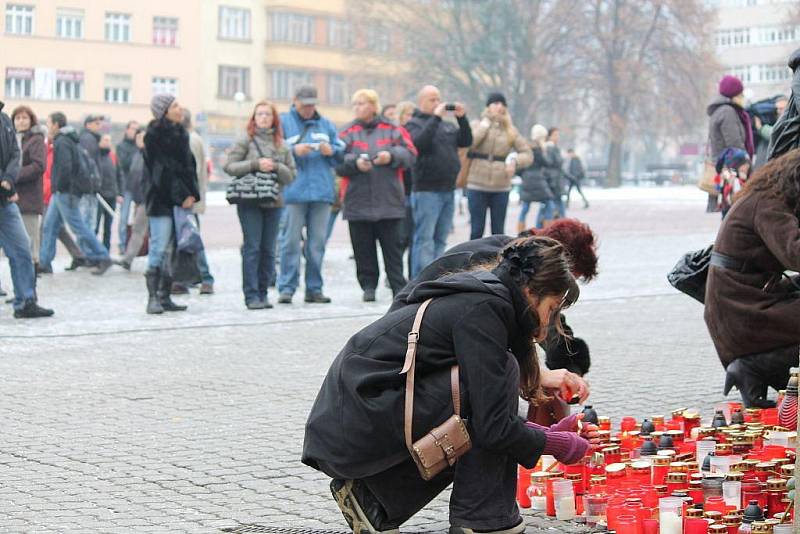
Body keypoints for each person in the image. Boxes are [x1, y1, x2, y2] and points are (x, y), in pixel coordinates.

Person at [303, 236, 591, 533]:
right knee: (494, 384)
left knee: (485, 395)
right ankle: (482, 519)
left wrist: (548, 433)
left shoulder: (489, 299)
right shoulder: (484, 308)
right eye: (553, 308)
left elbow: (492, 417)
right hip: (357, 414)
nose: (551, 320)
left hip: (365, 410)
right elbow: (492, 425)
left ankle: (375, 498)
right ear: (531, 292)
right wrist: (556, 444)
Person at [391, 218, 599, 381]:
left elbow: (546, 320)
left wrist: (567, 365)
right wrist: (545, 374)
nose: (562, 293)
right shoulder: (500, 268)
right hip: (406, 350)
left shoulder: (516, 259)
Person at [704, 148, 800, 408]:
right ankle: (752, 367)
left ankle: (755, 369)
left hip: (741, 305)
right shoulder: (768, 203)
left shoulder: (764, 198)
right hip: (742, 312)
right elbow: (795, 253)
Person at [336, 89, 417, 302]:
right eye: (355, 104)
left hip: (388, 201)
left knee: (393, 249)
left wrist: (390, 156)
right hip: (357, 201)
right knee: (363, 249)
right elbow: (336, 161)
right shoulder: (347, 132)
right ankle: (368, 286)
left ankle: (398, 287)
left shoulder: (393, 130)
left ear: (373, 105)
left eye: (362, 103)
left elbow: (410, 154)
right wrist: (354, 163)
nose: (357, 108)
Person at [224, 100, 296, 310]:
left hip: (274, 202)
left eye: (267, 114)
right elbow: (229, 166)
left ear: (274, 118)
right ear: (253, 118)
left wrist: (275, 166)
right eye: (259, 114)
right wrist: (255, 164)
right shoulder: (245, 141)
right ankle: (251, 295)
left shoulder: (281, 145)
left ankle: (263, 293)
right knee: (252, 247)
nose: (263, 118)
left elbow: (291, 176)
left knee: (268, 250)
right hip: (249, 202)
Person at [278, 85, 343, 304]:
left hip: (321, 193)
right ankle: (286, 288)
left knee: (317, 244)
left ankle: (314, 289)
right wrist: (293, 150)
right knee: (290, 242)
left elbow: (341, 152)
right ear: (294, 101)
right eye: (305, 104)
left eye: (312, 104)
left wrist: (331, 150)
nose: (308, 108)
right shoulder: (283, 122)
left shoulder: (326, 124)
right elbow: (274, 148)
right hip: (293, 192)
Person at [405, 85, 473, 278]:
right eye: (432, 99)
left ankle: (436, 277)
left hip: (448, 189)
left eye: (438, 99)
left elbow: (466, 141)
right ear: (421, 102)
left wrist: (462, 118)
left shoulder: (446, 125)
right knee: (424, 239)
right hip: (426, 190)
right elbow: (420, 144)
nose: (437, 103)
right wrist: (435, 117)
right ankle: (421, 280)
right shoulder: (413, 124)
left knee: (440, 239)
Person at [142, 94, 200, 314]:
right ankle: (152, 298)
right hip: (161, 201)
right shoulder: (155, 135)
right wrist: (182, 195)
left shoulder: (181, 133)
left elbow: (189, 168)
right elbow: (162, 173)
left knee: (173, 248)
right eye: (174, 105)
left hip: (181, 200)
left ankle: (165, 296)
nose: (180, 108)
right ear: (164, 111)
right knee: (158, 247)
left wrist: (192, 194)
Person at [39, 112, 113, 275]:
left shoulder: (62, 141)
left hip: (66, 192)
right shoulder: (68, 139)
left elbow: (65, 167)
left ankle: (102, 256)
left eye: (49, 123)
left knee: (78, 227)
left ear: (57, 124)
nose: (48, 126)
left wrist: (58, 185)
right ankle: (44, 262)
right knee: (49, 226)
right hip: (62, 191)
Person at [0, 101, 53, 318]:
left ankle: (25, 301)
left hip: (5, 198)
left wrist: (9, 180)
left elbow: (15, 153)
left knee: (22, 248)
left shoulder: (4, 119)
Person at [465, 93, 532, 239]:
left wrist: (514, 159)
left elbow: (527, 154)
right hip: (477, 184)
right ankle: (473, 261)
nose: (499, 106)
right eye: (495, 103)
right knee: (476, 230)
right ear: (488, 106)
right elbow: (469, 144)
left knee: (498, 231)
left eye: (502, 104)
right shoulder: (478, 124)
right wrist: (486, 124)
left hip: (501, 186)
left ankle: (496, 261)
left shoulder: (510, 130)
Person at [171, 109, 215, 295]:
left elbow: (193, 171)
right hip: (189, 197)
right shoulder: (192, 138)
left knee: (191, 238)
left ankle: (205, 278)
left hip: (187, 199)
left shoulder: (189, 139)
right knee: (187, 237)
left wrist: (186, 195)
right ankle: (183, 279)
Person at [706, 75, 753, 212]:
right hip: (732, 170)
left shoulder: (720, 110)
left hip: (724, 169)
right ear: (734, 94)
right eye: (740, 93)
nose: (743, 96)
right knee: (735, 211)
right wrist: (746, 165)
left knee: (729, 211)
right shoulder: (728, 112)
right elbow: (734, 144)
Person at [11, 105, 46, 268]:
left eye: (24, 118)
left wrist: (13, 175)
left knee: (30, 240)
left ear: (31, 120)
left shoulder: (36, 139)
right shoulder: (11, 138)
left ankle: (31, 277)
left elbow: (39, 166)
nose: (21, 121)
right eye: (18, 118)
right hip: (10, 197)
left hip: (29, 197)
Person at [115, 128, 148, 271]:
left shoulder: (150, 154)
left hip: (150, 198)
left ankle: (157, 262)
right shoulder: (137, 154)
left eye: (142, 137)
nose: (139, 139)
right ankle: (128, 259)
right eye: (138, 136)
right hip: (141, 198)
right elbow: (133, 175)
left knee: (143, 230)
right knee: (138, 229)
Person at [518, 124, 553, 232]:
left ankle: (520, 230)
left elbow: (520, 165)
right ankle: (547, 230)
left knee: (525, 206)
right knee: (548, 203)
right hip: (538, 180)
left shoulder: (526, 147)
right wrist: (544, 150)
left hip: (527, 179)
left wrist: (524, 175)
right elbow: (547, 163)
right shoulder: (538, 149)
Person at [395, 100, 416, 277]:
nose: (410, 119)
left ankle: (411, 274)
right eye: (407, 115)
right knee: (401, 237)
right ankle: (396, 272)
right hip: (402, 191)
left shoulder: (416, 134)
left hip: (414, 189)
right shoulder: (397, 135)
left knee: (412, 237)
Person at [78, 114, 104, 242]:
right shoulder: (88, 139)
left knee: (88, 221)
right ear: (88, 124)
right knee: (87, 221)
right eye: (96, 123)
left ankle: (85, 250)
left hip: (89, 186)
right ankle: (85, 250)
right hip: (88, 187)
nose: (99, 126)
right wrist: (94, 182)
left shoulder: (90, 138)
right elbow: (89, 164)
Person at [116, 120, 140, 254]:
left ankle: (136, 246)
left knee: (139, 218)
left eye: (137, 129)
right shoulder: (121, 146)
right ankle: (122, 244)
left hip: (139, 187)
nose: (135, 132)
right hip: (126, 186)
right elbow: (124, 164)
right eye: (132, 129)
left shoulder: (140, 147)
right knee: (124, 217)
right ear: (127, 130)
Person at [94, 133, 118, 251]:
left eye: (109, 140)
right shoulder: (96, 157)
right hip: (99, 195)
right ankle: (95, 250)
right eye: (105, 140)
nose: (107, 142)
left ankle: (106, 250)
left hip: (111, 194)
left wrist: (119, 192)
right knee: (96, 225)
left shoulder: (113, 157)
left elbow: (119, 174)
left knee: (108, 227)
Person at [713, 147, 750, 218]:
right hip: (730, 209)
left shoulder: (743, 176)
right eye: (744, 166)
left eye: (747, 166)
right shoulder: (729, 176)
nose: (746, 168)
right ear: (738, 165)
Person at [544, 128, 567, 221]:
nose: (557, 137)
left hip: (556, 180)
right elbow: (554, 163)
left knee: (555, 205)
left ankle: (563, 224)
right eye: (555, 135)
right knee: (554, 206)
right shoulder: (550, 148)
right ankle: (564, 224)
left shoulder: (553, 147)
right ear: (549, 136)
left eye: (558, 135)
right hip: (553, 181)